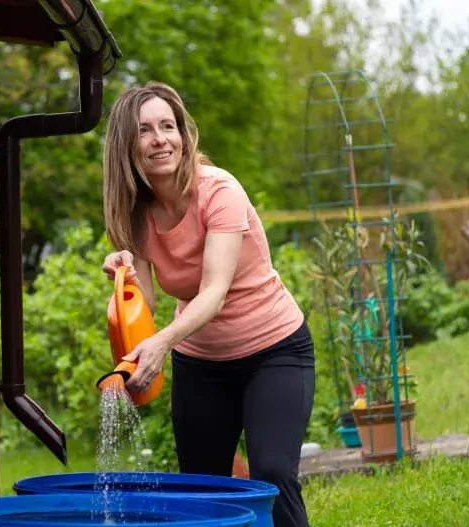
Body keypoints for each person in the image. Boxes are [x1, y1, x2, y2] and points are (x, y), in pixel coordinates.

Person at [100, 81, 315, 527]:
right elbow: (148, 303)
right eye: (145, 131)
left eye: (168, 126)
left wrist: (160, 346)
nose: (161, 139)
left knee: (273, 474)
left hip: (275, 351)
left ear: (183, 133)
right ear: (127, 146)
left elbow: (214, 293)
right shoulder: (136, 214)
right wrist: (125, 276)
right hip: (202, 365)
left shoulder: (219, 191)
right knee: (201, 489)